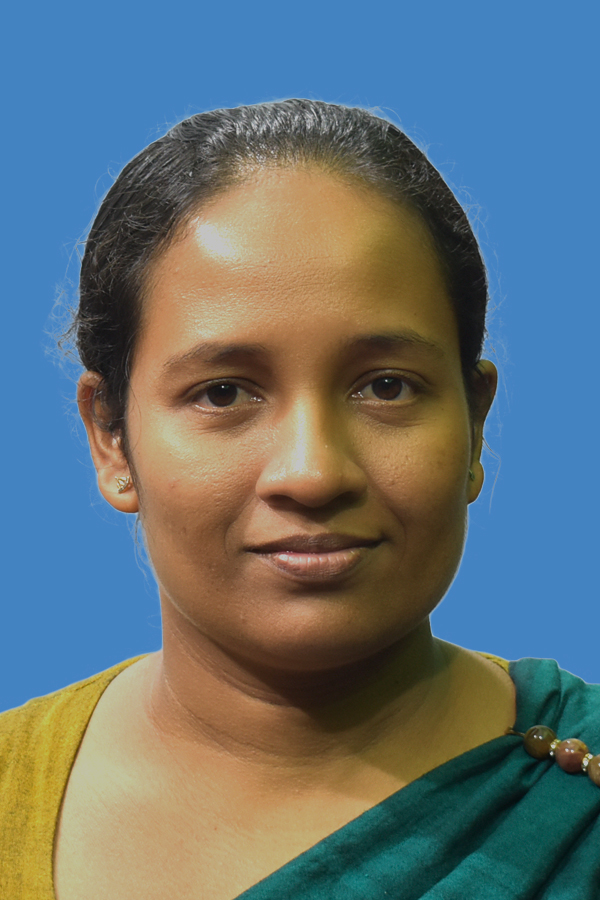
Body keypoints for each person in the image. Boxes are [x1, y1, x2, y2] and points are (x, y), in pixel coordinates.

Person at [1, 100, 598, 900]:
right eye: (223, 393)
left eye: (386, 387)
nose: (313, 473)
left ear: (475, 424)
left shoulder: (577, 796)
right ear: (111, 438)